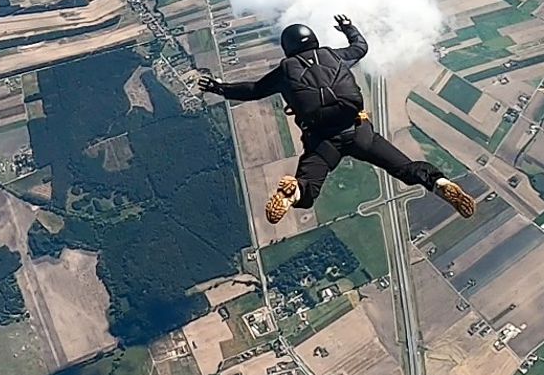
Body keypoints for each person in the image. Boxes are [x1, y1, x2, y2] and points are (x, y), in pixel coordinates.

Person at [199, 15, 476, 224]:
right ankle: (439, 183)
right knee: (405, 168)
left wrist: (219, 88)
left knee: (309, 186)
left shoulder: (285, 71)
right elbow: (360, 47)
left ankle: (294, 192)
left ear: (287, 47)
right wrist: (348, 28)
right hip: (359, 131)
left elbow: (253, 90)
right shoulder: (333, 56)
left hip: (323, 141)